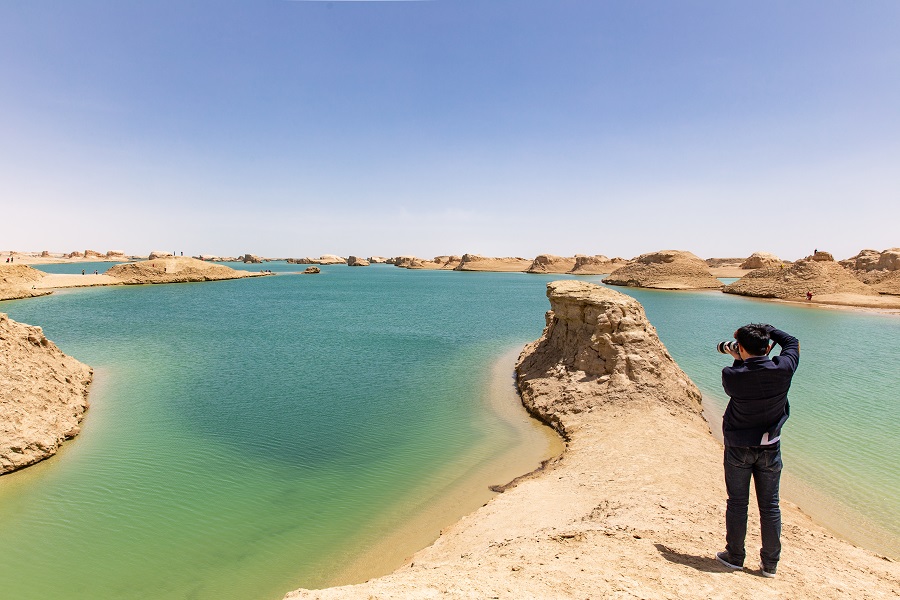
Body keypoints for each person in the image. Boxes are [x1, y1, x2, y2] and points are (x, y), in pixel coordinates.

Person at [715, 323, 800, 578]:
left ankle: (735, 556)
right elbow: (792, 342)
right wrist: (767, 329)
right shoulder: (784, 368)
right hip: (770, 447)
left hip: (738, 447)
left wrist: (739, 360)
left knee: (737, 503)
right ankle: (770, 564)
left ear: (740, 348)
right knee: (770, 506)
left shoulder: (732, 374)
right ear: (768, 347)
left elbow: (737, 383)